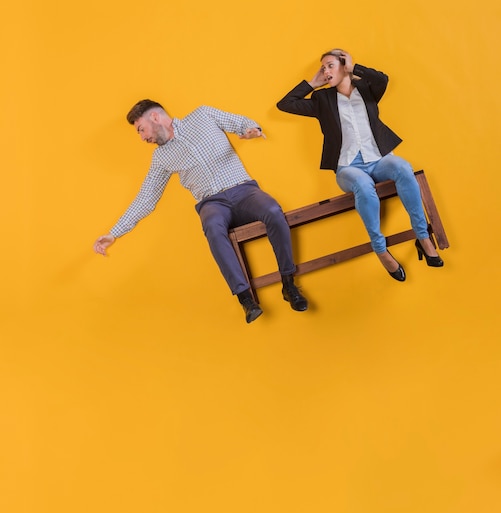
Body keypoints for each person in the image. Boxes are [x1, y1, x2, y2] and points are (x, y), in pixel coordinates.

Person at [93, 99, 308, 323]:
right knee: (213, 228)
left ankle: (289, 285)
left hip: (243, 191)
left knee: (273, 210)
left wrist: (250, 130)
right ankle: (246, 300)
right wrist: (114, 233)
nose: (142, 137)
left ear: (155, 118)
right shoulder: (160, 158)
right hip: (212, 203)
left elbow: (240, 122)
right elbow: (146, 198)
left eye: (141, 129)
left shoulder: (203, 116)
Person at [276, 49, 444, 281]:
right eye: (323, 67)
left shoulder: (367, 90)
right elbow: (285, 104)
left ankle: (423, 237)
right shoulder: (322, 100)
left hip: (379, 159)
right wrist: (312, 83)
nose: (325, 71)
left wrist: (353, 68)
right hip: (348, 168)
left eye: (330, 65)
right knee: (364, 187)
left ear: (344, 65)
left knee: (404, 168)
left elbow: (383, 79)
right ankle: (380, 249)